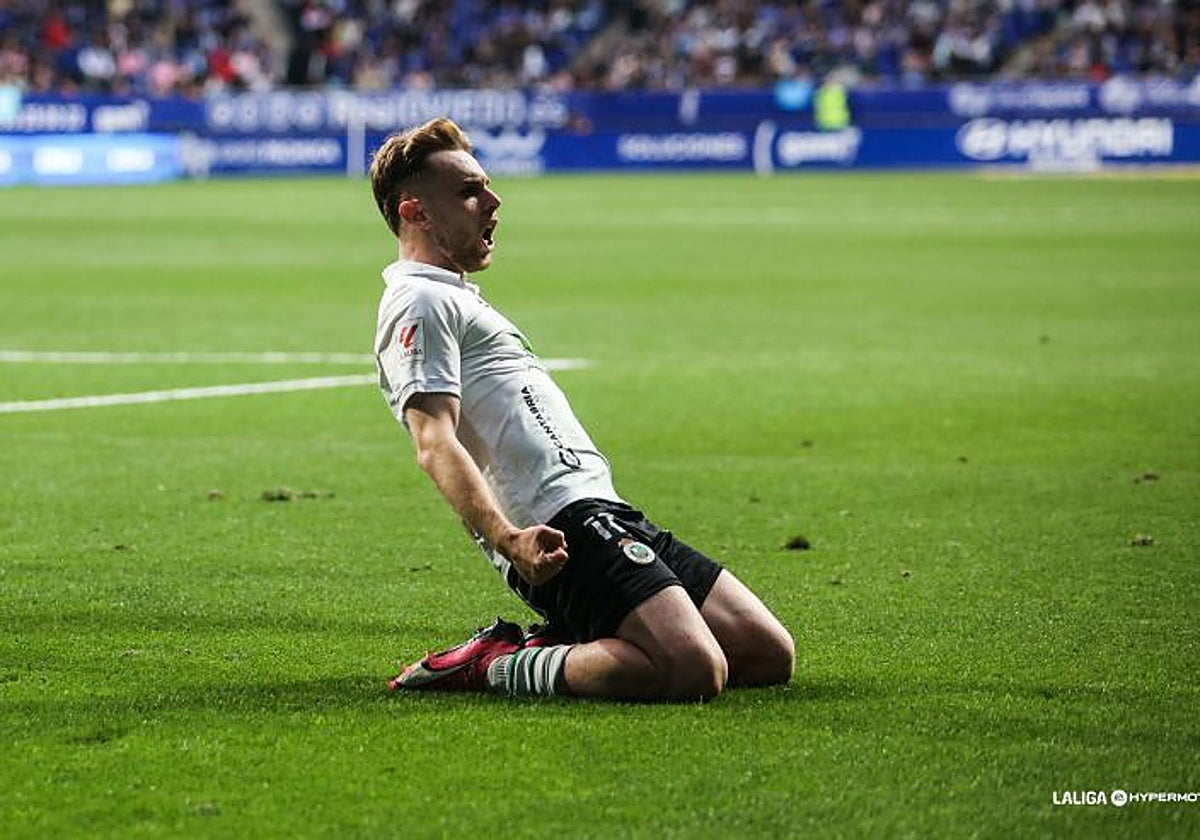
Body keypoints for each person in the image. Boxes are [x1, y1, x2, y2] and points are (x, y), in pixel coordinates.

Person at [369, 117, 794, 701]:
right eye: (469, 192)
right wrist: (508, 538)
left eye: (487, 186)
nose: (493, 202)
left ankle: (571, 640)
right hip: (556, 523)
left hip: (604, 508)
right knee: (694, 669)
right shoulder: (418, 298)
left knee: (766, 653)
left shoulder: (456, 296)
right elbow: (434, 441)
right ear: (415, 212)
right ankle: (492, 664)